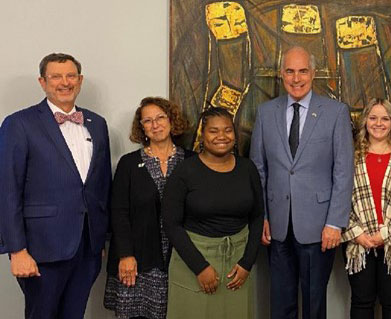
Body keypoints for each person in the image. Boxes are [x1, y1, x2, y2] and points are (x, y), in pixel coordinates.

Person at [0, 53, 111, 318]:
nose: (65, 82)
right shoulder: (19, 124)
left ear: (80, 80)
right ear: (43, 82)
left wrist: (101, 236)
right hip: (41, 250)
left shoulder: (97, 124)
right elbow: (7, 190)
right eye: (56, 76)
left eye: (71, 76)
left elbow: (102, 186)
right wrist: (17, 250)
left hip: (87, 249)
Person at [249, 46, 354, 319]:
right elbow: (258, 169)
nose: (296, 78)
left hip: (319, 227)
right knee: (281, 302)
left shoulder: (335, 112)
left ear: (313, 73)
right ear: (281, 74)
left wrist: (335, 223)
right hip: (278, 226)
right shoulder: (265, 112)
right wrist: (262, 216)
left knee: (314, 303)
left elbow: (343, 171)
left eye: (303, 71)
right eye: (290, 71)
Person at [162, 107, 264, 319]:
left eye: (227, 130)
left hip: (237, 264)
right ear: (202, 133)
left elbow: (256, 217)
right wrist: (200, 267)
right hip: (193, 261)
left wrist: (247, 263)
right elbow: (171, 224)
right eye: (213, 131)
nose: (221, 136)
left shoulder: (248, 169)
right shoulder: (185, 171)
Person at [103, 97, 194, 319]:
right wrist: (125, 255)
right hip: (138, 258)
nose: (155, 125)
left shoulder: (192, 162)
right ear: (141, 127)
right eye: (148, 120)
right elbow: (119, 213)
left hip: (180, 257)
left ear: (172, 121)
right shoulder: (129, 164)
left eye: (161, 117)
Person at [341, 98, 391, 319]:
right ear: (365, 121)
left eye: (385, 118)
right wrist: (357, 233)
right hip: (359, 242)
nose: (379, 123)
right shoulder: (351, 155)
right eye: (373, 117)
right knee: (361, 302)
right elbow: (339, 196)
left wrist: (384, 234)